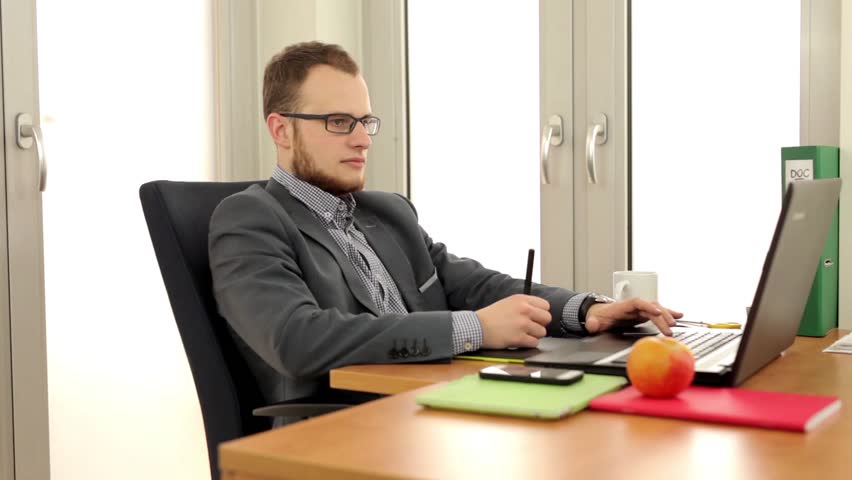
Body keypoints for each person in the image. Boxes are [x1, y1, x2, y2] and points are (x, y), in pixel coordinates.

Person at [208, 41, 682, 411]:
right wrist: (474, 329)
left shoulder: (387, 212)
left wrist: (586, 311)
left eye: (364, 121)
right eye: (337, 122)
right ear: (281, 130)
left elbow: (472, 284)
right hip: (345, 424)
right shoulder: (249, 219)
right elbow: (298, 341)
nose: (361, 139)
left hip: (434, 401)